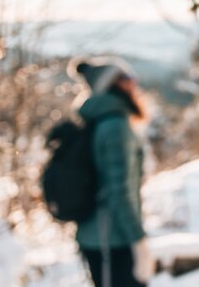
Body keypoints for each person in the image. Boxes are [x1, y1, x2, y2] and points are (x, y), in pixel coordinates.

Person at [71, 58, 154, 287]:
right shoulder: (115, 127)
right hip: (111, 238)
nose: (133, 83)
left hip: (99, 235)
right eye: (127, 78)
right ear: (114, 85)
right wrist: (138, 241)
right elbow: (119, 190)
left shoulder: (99, 120)